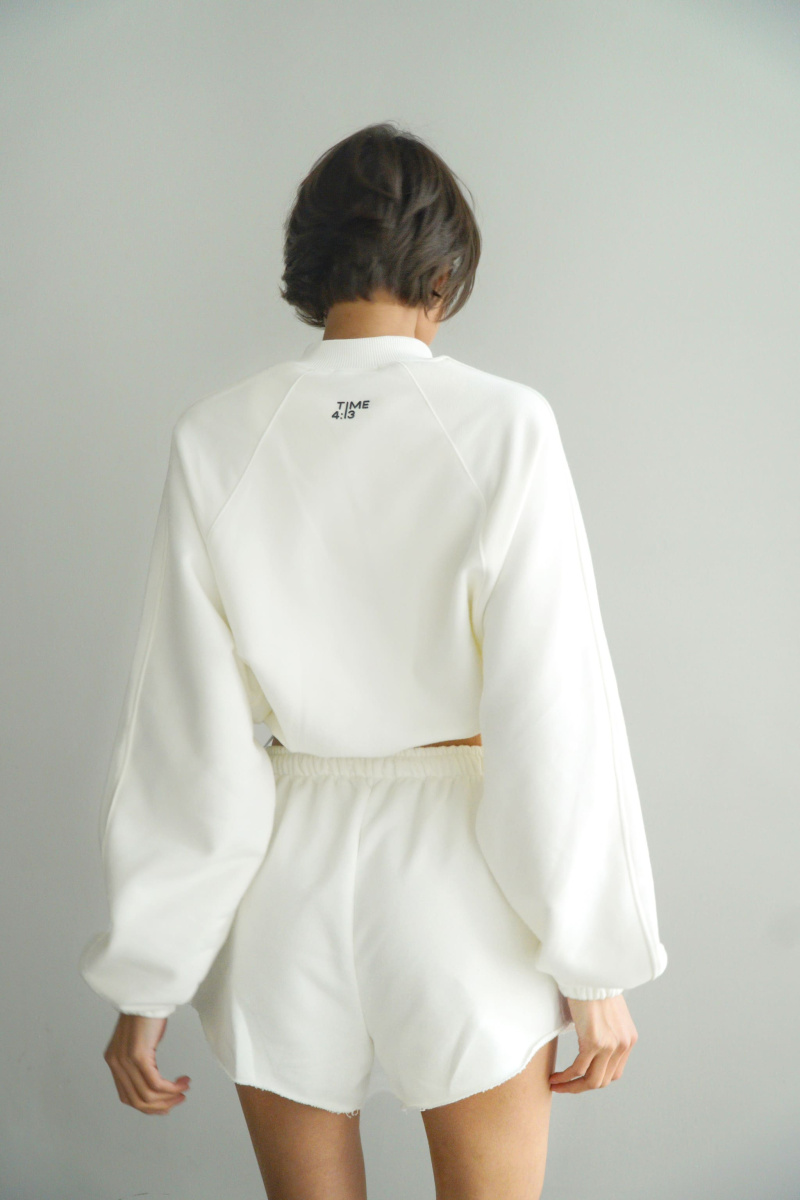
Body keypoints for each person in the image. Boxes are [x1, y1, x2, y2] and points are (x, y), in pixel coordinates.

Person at [79, 121, 668, 1200]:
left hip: (283, 884)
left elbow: (181, 729)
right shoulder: (503, 425)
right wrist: (594, 966)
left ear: (308, 266)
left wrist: (148, 979)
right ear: (445, 273)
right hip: (461, 886)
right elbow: (552, 710)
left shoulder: (217, 434)